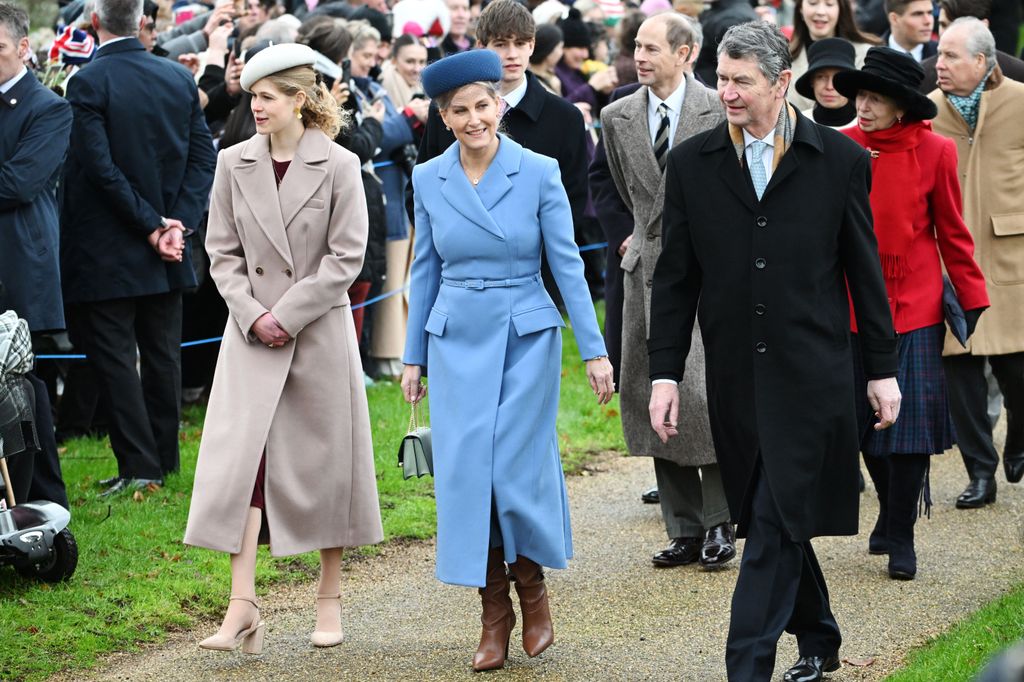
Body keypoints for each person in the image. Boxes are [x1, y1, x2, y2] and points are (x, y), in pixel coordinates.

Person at [647, 21, 901, 682]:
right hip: (735, 381)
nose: (725, 92)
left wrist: (882, 371)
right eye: (722, 78)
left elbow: (864, 275)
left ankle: (747, 667)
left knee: (765, 521)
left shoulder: (841, 162)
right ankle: (818, 635)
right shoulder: (691, 164)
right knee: (775, 519)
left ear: (780, 83)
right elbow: (674, 281)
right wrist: (665, 374)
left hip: (812, 378)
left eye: (741, 81)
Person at [401, 50, 614, 672]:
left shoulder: (540, 170)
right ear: (443, 116)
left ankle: (533, 587)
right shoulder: (428, 179)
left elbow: (567, 264)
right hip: (456, 338)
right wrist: (413, 356)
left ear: (500, 104)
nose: (473, 120)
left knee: (512, 470)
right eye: (459, 110)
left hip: (526, 334)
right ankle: (493, 612)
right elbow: (425, 269)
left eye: (482, 106)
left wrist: (594, 350)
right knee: (468, 476)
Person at [184, 43, 383, 652]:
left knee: (326, 467)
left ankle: (329, 600)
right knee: (244, 469)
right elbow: (221, 252)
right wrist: (252, 314)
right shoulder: (232, 162)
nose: (256, 106)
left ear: (300, 99)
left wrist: (287, 315)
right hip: (250, 338)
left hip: (317, 334)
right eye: (252, 96)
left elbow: (346, 258)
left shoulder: (341, 164)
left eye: (268, 96)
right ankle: (241, 604)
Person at [833, 46, 989, 579]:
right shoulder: (841, 147)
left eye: (876, 98)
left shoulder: (937, 151)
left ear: (902, 105)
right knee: (864, 426)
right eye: (861, 95)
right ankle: (890, 506)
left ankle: (901, 533)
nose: (865, 105)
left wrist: (971, 294)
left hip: (914, 305)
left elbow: (952, 230)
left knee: (910, 430)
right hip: (851, 306)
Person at [61, 0, 216, 496]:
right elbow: (201, 161)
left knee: (117, 358)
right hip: (165, 243)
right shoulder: (177, 78)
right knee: (161, 353)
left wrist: (159, 226)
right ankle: (160, 461)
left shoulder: (86, 81)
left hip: (113, 246)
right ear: (143, 22)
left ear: (94, 23)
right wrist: (177, 225)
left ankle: (142, 465)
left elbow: (100, 168)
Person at [600, 12, 734, 570]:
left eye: (653, 48)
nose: (641, 57)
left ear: (687, 53)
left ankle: (721, 521)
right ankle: (682, 528)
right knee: (655, 393)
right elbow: (618, 187)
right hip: (647, 274)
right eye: (637, 46)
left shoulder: (718, 107)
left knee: (705, 394)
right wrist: (631, 240)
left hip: (707, 271)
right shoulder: (616, 115)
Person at [415, 0, 590, 310]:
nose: (512, 54)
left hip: (532, 284)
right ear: (481, 46)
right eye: (501, 44)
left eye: (521, 43)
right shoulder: (447, 113)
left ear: (533, 45)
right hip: (459, 284)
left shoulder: (564, 118)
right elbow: (421, 191)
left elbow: (574, 200)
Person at [929, 18, 1024, 509]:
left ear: (982, 63)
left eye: (949, 56)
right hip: (951, 263)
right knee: (961, 377)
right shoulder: (926, 113)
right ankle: (980, 473)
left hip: (1012, 254)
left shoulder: (1021, 102)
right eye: (939, 55)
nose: (938, 65)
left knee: (1017, 368)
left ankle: (1020, 435)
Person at [0, 2, 72, 510]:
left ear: (24, 48)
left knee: (23, 382)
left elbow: (18, 183)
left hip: (16, 263)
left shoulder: (48, 107)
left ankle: (42, 495)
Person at [786, 0, 880, 111]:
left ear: (841, 9)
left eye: (829, 4)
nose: (820, 11)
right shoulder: (785, 59)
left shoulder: (867, 56)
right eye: (813, 3)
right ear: (800, 8)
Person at [917, 0, 1024, 93]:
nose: (946, 34)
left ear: (983, 25)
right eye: (943, 25)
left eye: (957, 27)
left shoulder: (1017, 73)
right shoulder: (921, 76)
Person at [794, 37, 858, 127]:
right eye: (821, 77)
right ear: (812, 81)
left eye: (838, 78)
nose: (829, 86)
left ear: (850, 83)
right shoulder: (797, 125)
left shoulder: (867, 126)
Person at [528, 23, 564, 95]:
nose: (562, 52)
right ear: (548, 51)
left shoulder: (549, 77)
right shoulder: (537, 85)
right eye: (560, 47)